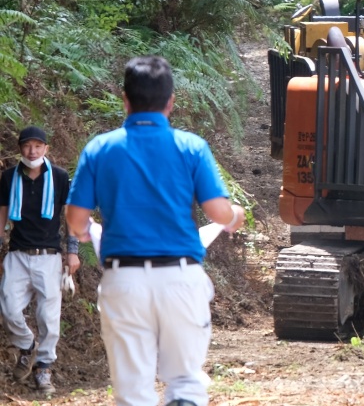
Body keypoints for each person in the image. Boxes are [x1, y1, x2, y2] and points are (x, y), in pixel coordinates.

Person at [65, 56, 245, 406]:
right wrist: (235, 215)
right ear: (171, 101)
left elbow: (75, 220)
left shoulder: (100, 148)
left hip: (124, 280)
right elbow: (218, 212)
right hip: (180, 279)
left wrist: (86, 231)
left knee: (133, 393)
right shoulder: (191, 147)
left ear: (125, 99)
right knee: (185, 384)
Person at [0, 125, 78, 397]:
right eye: (26, 145)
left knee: (48, 315)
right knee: (8, 307)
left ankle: (43, 368)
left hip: (50, 256)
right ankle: (27, 345)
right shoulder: (9, 177)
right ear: (19, 148)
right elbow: (2, 213)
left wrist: (73, 250)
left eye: (37, 145)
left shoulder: (59, 176)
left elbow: (69, 216)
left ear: (47, 148)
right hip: (18, 254)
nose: (31, 150)